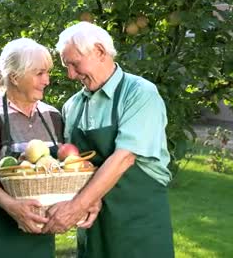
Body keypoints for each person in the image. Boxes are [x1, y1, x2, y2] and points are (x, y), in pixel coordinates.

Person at [42, 22, 174, 258]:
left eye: (74, 64)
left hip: (138, 224)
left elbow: (124, 159)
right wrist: (85, 201)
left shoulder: (140, 93)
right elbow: (71, 164)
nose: (71, 74)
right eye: (66, 66)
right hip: (92, 222)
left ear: (100, 52)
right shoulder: (72, 106)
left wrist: (75, 207)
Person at [0, 38, 94, 257]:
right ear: (14, 77)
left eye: (48, 73)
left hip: (37, 231)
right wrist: (13, 206)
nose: (47, 81)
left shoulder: (52, 116)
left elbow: (61, 167)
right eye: (39, 73)